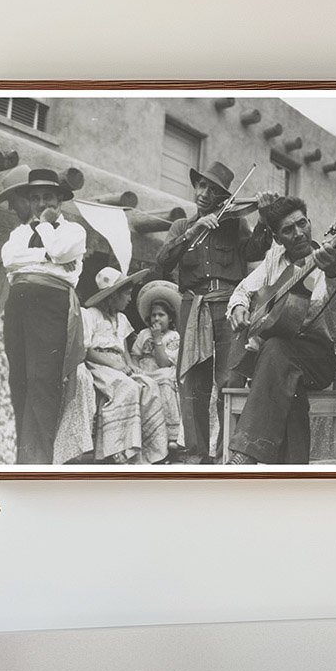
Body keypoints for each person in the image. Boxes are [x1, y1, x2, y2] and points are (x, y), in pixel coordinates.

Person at [154, 161, 274, 463]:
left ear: (223, 198)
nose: (204, 193)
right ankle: (196, 454)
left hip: (227, 304)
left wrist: (263, 217)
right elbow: (162, 262)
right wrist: (193, 230)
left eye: (213, 190)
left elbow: (254, 253)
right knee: (193, 382)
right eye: (201, 186)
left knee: (229, 380)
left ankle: (227, 454)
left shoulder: (234, 224)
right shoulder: (182, 226)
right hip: (192, 306)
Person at [225, 196, 336, 465]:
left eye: (302, 223)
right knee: (287, 377)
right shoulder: (274, 260)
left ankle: (245, 453)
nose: (298, 233)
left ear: (310, 222)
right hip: (278, 362)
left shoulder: (330, 259)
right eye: (288, 229)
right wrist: (239, 306)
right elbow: (243, 289)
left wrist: (333, 271)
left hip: (317, 358)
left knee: (276, 350)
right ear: (277, 237)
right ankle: (294, 476)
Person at [1, 168, 87, 464]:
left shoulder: (74, 231)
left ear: (59, 201)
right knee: (18, 378)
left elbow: (61, 250)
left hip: (51, 304)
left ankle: (40, 459)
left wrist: (48, 234)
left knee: (43, 379)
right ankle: (21, 455)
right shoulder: (21, 232)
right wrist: (46, 257)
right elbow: (9, 260)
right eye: (35, 198)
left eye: (48, 197)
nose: (40, 204)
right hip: (18, 303)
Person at [82, 265, 169, 464]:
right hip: (100, 364)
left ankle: (149, 449)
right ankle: (119, 449)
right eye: (127, 295)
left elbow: (123, 347)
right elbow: (87, 351)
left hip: (119, 364)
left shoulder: (121, 318)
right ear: (112, 296)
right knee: (128, 387)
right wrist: (115, 365)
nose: (129, 299)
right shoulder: (92, 315)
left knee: (148, 384)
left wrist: (130, 366)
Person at [132, 279, 184, 452]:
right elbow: (135, 355)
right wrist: (135, 368)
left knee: (166, 380)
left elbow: (164, 363)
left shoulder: (173, 336)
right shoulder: (143, 333)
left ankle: (171, 435)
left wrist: (157, 339)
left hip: (162, 372)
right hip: (144, 371)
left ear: (170, 318)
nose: (156, 318)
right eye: (154, 315)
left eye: (161, 315)